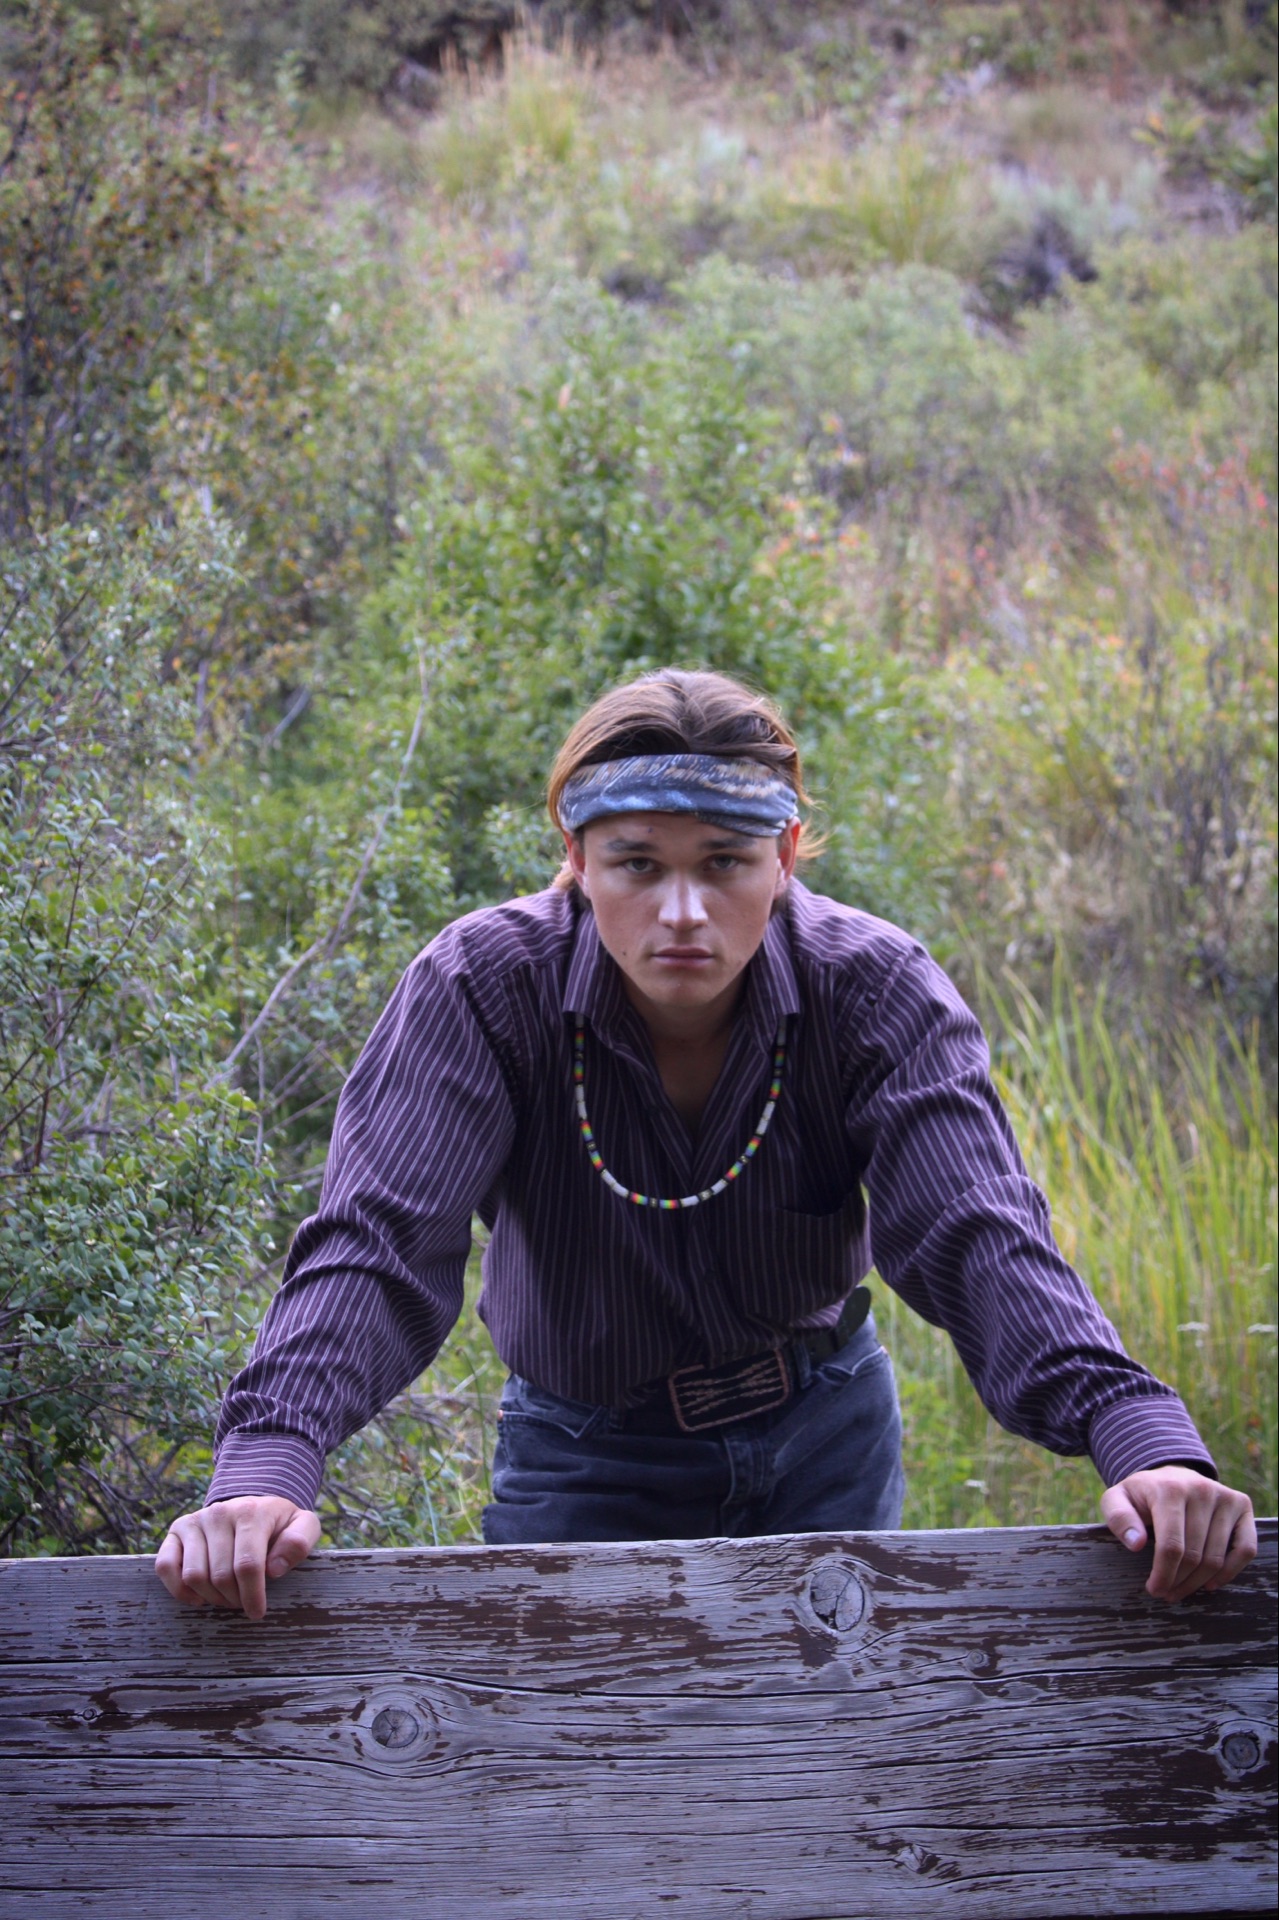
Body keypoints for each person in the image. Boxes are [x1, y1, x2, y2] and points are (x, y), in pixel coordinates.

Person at [156, 669, 1257, 1621]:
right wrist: (267, 1466)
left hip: (824, 1438)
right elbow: (380, 1241)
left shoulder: (874, 990)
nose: (681, 911)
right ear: (576, 858)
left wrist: (1135, 1435)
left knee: (825, 1760)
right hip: (583, 1455)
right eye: (637, 864)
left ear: (785, 857)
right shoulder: (481, 989)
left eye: (724, 862)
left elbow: (976, 1231)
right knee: (577, 1769)